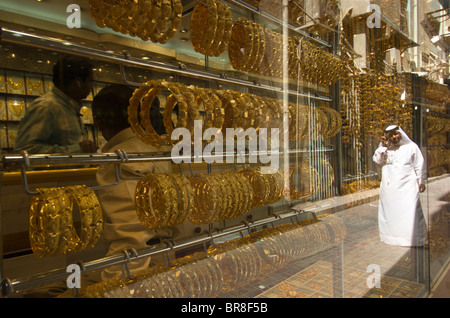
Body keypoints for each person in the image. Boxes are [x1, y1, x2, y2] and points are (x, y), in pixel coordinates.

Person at [92, 84, 178, 281]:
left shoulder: (116, 160)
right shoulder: (157, 149)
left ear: (97, 122)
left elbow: (131, 239)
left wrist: (118, 287)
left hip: (137, 273)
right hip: (165, 260)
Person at [14, 55, 98, 154]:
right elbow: (25, 150)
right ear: (78, 82)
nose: (91, 87)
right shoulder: (46, 107)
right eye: (90, 81)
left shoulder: (70, 107)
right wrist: (77, 149)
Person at [372, 125, 427, 247]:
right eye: (391, 135)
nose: (395, 137)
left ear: (401, 134)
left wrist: (421, 180)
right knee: (391, 213)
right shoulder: (384, 148)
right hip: (390, 187)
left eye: (396, 134)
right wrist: (383, 148)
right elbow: (377, 160)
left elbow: (419, 164)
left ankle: (414, 239)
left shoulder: (411, 147)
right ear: (388, 136)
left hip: (408, 186)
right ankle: (391, 238)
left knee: (411, 211)